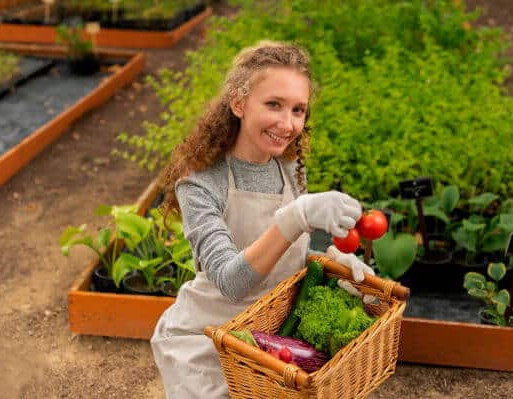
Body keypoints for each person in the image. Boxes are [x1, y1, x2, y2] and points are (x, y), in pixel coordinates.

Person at [151, 40, 375, 399]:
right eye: (274, 104)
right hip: (210, 341)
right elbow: (231, 281)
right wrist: (297, 217)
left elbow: (286, 258)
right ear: (239, 103)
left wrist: (332, 268)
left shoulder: (289, 168)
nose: (288, 125)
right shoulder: (200, 182)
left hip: (275, 336)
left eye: (299, 110)